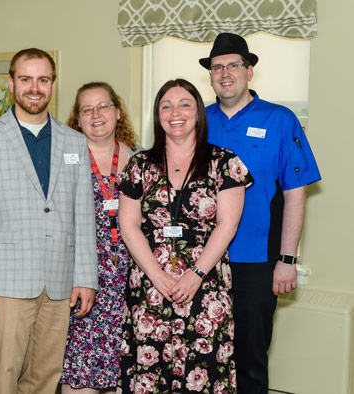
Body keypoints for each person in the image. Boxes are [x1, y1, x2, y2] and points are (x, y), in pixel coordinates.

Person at [0, 47, 98, 394]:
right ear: (11, 84)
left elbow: (83, 215)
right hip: (6, 285)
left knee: (44, 377)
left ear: (53, 84)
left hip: (59, 284)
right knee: (2, 377)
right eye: (26, 79)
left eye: (43, 79)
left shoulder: (75, 142)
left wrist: (86, 277)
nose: (34, 87)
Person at [200, 32, 321, 394]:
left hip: (257, 259)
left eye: (233, 65)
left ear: (249, 71)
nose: (225, 73)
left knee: (249, 356)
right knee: (202, 355)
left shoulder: (280, 120)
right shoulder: (197, 120)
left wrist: (287, 259)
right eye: (217, 67)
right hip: (202, 260)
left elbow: (295, 194)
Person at [117, 79, 253, 393]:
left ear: (198, 113)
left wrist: (194, 275)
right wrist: (158, 277)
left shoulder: (224, 163)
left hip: (205, 287)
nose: (175, 112)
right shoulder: (139, 166)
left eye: (185, 104)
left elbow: (226, 226)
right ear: (157, 114)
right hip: (150, 286)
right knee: (150, 371)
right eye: (166, 105)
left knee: (202, 370)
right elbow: (129, 226)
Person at [59, 82, 141, 394]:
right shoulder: (64, 161)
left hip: (129, 280)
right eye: (86, 109)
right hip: (80, 281)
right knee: (80, 371)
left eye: (103, 106)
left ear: (118, 112)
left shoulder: (139, 161)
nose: (96, 114)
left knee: (123, 370)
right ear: (77, 118)